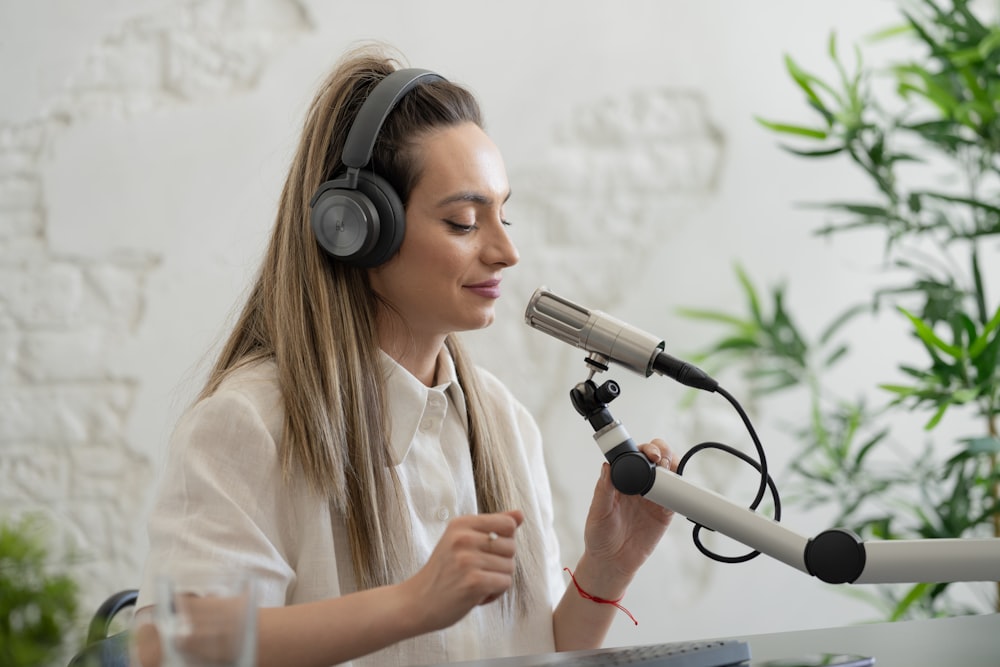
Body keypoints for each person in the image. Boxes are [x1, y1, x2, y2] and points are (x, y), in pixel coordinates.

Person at [132, 42, 676, 667]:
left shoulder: (501, 421)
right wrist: (413, 603)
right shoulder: (252, 424)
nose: (506, 252)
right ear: (357, 228)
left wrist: (608, 568)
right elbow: (167, 648)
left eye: (503, 215)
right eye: (465, 222)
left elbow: (536, 654)